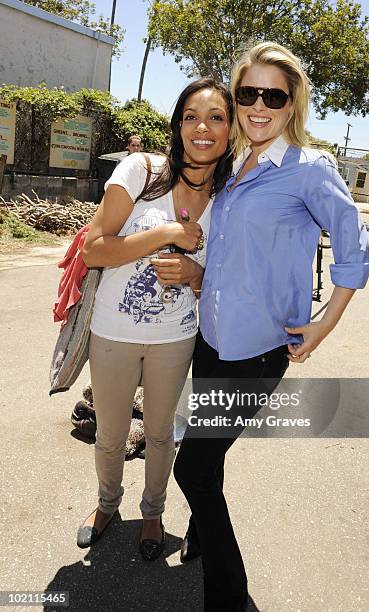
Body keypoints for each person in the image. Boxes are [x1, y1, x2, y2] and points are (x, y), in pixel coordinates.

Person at [173, 42, 369, 610]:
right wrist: (195, 271)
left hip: (258, 353)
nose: (258, 106)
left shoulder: (310, 170)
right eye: (247, 94)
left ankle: (228, 596)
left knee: (194, 467)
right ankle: (198, 533)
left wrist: (324, 324)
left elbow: (354, 252)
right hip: (211, 341)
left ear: (292, 104)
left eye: (273, 96)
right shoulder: (236, 168)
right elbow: (235, 256)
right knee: (208, 457)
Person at [77, 77, 233, 560]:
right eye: (190, 116)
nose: (201, 128)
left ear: (231, 131)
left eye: (216, 117)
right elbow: (93, 249)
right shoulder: (141, 171)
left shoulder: (231, 198)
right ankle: (106, 506)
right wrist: (166, 232)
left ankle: (153, 514)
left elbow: (227, 280)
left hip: (176, 337)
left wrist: (195, 272)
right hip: (113, 331)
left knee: (162, 432)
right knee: (110, 432)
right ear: (177, 125)